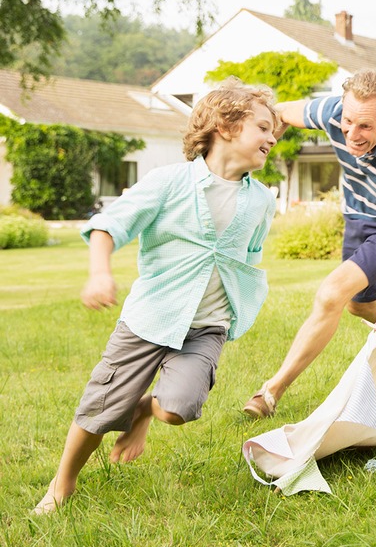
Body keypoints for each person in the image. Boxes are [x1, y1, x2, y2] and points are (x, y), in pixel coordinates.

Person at [33, 79, 279, 514]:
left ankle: (147, 409)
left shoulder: (260, 200)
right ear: (225, 125)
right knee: (100, 410)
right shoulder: (169, 182)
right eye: (262, 127)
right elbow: (108, 226)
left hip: (206, 327)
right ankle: (62, 484)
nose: (272, 137)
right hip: (150, 320)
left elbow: (251, 254)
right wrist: (99, 274)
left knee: (178, 409)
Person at [243, 68, 376, 419]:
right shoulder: (333, 112)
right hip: (357, 217)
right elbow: (280, 112)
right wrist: (265, 145)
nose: (352, 134)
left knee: (331, 294)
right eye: (348, 120)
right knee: (360, 305)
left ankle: (270, 391)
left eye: (366, 127)